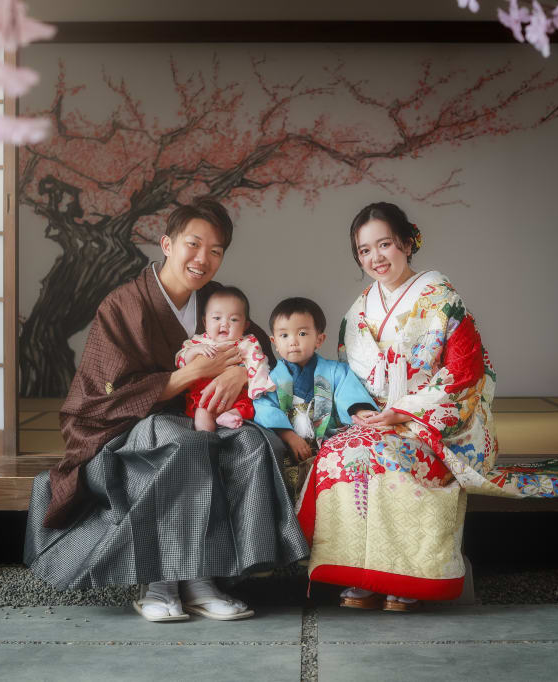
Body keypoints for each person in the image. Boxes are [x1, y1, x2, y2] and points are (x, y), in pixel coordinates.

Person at [24, 197, 309, 623]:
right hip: (131, 426)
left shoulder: (216, 299)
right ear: (167, 244)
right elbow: (102, 395)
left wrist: (239, 376)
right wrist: (189, 375)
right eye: (194, 245)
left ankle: (209, 578)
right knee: (182, 442)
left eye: (216, 251)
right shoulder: (124, 305)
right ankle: (160, 581)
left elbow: (257, 345)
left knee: (252, 442)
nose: (203, 259)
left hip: (204, 416)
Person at [296, 201, 503, 612]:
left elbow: (466, 373)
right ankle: (361, 573)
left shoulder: (442, 298)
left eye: (384, 244)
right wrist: (360, 412)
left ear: (407, 243)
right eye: (364, 250)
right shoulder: (359, 310)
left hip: (436, 421)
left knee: (393, 456)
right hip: (378, 418)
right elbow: (348, 377)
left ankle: (409, 576)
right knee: (342, 452)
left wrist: (406, 412)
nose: (375, 257)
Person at [252, 297, 377, 494]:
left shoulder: (336, 371)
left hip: (329, 444)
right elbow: (265, 409)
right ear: (274, 342)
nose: (292, 341)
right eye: (284, 335)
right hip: (290, 449)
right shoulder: (269, 380)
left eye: (302, 333)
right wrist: (290, 437)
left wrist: (359, 410)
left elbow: (349, 394)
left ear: (319, 339)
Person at [176, 286, 275, 432]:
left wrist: (256, 387)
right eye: (216, 318)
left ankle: (229, 417)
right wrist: (195, 351)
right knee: (202, 413)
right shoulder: (199, 342)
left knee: (248, 409)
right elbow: (180, 360)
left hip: (237, 395)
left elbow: (259, 365)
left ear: (245, 325)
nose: (224, 324)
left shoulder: (247, 344)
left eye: (234, 319)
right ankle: (206, 440)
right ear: (205, 322)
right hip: (205, 394)